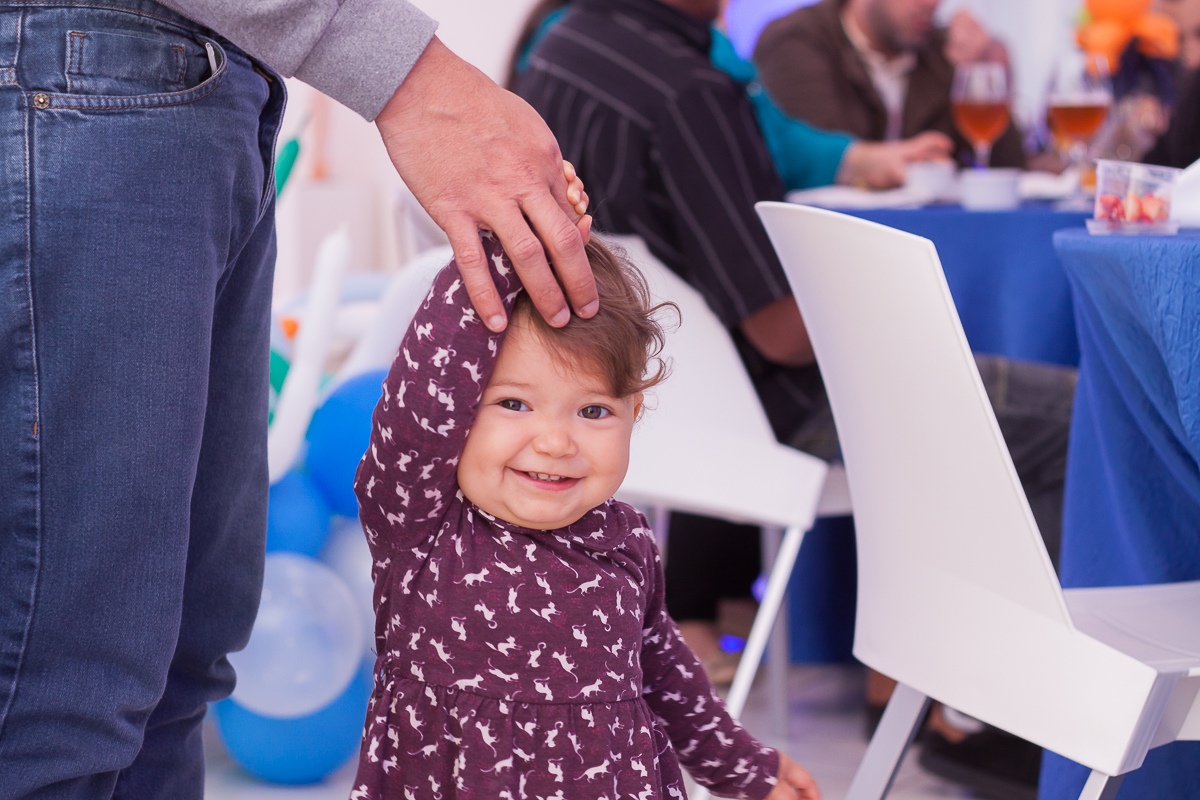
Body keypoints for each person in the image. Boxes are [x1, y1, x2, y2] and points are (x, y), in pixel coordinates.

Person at [0, 0, 592, 796]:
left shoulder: (620, 553)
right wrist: (410, 77)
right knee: (71, 690)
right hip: (96, 81)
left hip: (206, 83)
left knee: (176, 671)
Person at [512, 0, 1073, 797]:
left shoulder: (566, 45)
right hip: (776, 405)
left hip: (645, 398)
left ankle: (923, 695)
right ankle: (1033, 731)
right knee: (1082, 420)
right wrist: (878, 309)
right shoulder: (691, 91)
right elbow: (780, 331)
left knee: (966, 401)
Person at [351, 228, 821, 800]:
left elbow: (664, 669)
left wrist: (739, 764)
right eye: (513, 403)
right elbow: (426, 386)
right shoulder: (422, 525)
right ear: (459, 412)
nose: (554, 442)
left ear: (634, 413)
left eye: (593, 410)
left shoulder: (627, 540)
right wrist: (504, 238)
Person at [508, 0, 953, 192]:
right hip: (659, 316)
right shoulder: (688, 78)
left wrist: (866, 160)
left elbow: (772, 133)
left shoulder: (561, 37)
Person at [753, 0, 1026, 168]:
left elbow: (1010, 168)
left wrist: (979, 72)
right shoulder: (797, 40)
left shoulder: (946, 52)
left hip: (929, 242)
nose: (931, 3)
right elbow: (822, 160)